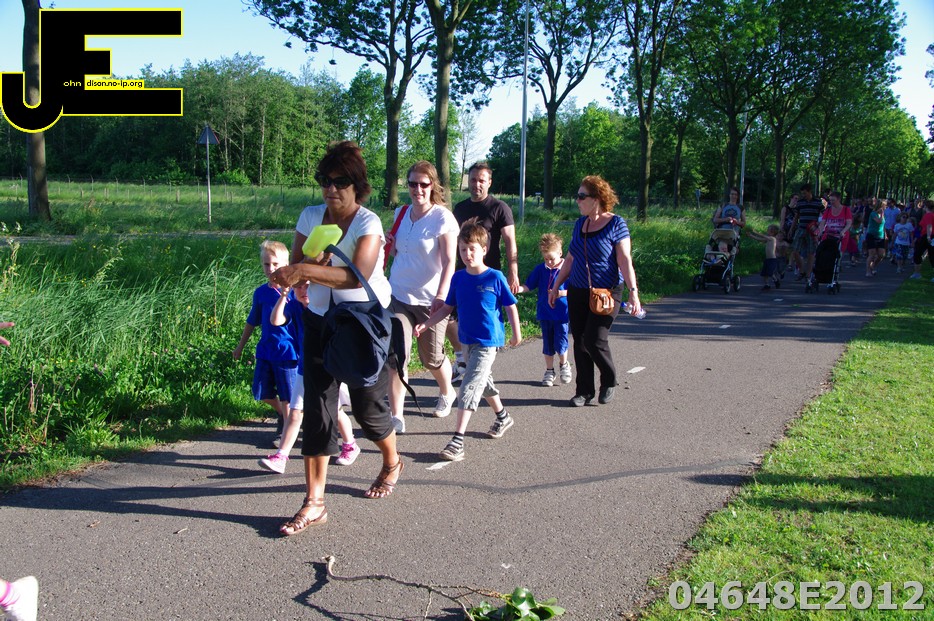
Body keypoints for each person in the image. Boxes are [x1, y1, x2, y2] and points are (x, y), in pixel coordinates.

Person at [270, 140, 402, 536]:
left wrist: (305, 272)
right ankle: (314, 502)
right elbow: (298, 266)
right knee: (318, 409)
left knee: (367, 410)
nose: (331, 188)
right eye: (324, 180)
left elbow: (355, 276)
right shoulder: (311, 216)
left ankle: (392, 461)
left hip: (361, 324)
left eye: (340, 182)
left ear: (357, 186)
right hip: (318, 322)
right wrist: (302, 271)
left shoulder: (368, 223)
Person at [413, 218, 522, 462]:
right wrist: (426, 324)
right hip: (466, 340)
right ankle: (503, 416)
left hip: (488, 341)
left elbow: (511, 306)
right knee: (482, 380)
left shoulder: (494, 277)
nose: (467, 254)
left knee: (469, 385)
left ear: (484, 249)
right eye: (463, 249)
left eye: (472, 249)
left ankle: (457, 441)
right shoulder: (459, 278)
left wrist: (517, 333)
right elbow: (446, 308)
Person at [549, 175, 642, 407]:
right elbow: (570, 259)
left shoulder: (617, 224)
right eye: (577, 196)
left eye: (582, 196)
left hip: (607, 292)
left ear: (597, 198)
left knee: (594, 339)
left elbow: (624, 260)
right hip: (578, 290)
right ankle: (584, 391)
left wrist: (633, 292)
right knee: (580, 342)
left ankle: (609, 380)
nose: (577, 201)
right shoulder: (580, 224)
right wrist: (556, 285)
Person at [385, 161, 459, 433]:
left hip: (431, 301)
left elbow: (450, 261)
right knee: (397, 358)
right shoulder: (401, 213)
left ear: (433, 186)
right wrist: (389, 245)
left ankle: (447, 391)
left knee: (431, 358)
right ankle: (396, 416)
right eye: (413, 184)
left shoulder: (442, 218)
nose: (418, 189)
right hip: (398, 295)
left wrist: (441, 294)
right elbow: (398, 253)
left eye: (423, 184)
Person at [257, 281, 360, 474]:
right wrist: (283, 296)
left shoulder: (328, 307)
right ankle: (281, 457)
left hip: (330, 368)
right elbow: (275, 321)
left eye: (307, 286)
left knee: (335, 411)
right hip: (304, 368)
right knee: (295, 412)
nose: (303, 291)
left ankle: (350, 444)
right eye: (298, 287)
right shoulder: (294, 307)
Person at [447, 161, 520, 380]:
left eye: (481, 180)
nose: (476, 184)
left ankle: (480, 363)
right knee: (452, 317)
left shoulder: (499, 208)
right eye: (473, 179)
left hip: (488, 276)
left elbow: (510, 241)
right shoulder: (460, 209)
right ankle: (463, 358)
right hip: (462, 273)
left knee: (483, 319)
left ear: (489, 182)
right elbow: (452, 241)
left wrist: (513, 270)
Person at [232, 240, 299, 447]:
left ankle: (286, 432)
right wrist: (240, 346)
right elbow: (252, 321)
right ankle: (285, 416)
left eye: (275, 264)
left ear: (286, 265)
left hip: (288, 352)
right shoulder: (261, 293)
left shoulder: (295, 292)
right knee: (261, 391)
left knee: (288, 396)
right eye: (266, 264)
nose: (271, 269)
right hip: (266, 350)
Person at [518, 233, 571, 386]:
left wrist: (561, 293)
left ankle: (564, 365)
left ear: (560, 253)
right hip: (545, 312)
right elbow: (529, 285)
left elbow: (575, 290)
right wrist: (518, 289)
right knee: (547, 344)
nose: (549, 262)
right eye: (546, 258)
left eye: (551, 258)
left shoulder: (568, 269)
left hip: (561, 313)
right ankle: (549, 370)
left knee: (561, 341)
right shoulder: (540, 269)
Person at [791, 183, 823, 282]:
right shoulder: (800, 202)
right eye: (802, 193)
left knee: (811, 253)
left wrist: (819, 227)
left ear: (809, 192)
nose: (803, 195)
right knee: (795, 250)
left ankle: (808, 275)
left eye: (805, 193)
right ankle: (802, 270)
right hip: (801, 228)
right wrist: (792, 229)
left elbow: (823, 216)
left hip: (812, 230)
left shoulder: (818, 202)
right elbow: (796, 217)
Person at [744, 225, 782, 290]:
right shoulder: (768, 239)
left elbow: (763, 236)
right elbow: (760, 239)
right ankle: (767, 284)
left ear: (773, 232)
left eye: (768, 230)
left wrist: (755, 232)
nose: (767, 231)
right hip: (767, 259)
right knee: (764, 273)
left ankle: (776, 280)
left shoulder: (772, 238)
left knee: (770, 272)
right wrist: (751, 236)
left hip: (772, 259)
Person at [712, 187, 745, 251]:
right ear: (729, 195)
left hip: (734, 232)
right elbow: (715, 220)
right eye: (732, 194)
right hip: (722, 231)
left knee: (729, 248)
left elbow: (743, 224)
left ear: (737, 196)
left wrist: (737, 222)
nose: (733, 196)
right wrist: (726, 219)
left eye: (735, 194)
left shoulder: (740, 207)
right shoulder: (723, 205)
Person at [909, 199, 934, 280]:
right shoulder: (931, 215)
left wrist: (928, 237)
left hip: (927, 236)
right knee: (932, 255)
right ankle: (917, 273)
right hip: (929, 236)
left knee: (918, 253)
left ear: (926, 206)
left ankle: (917, 273)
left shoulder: (928, 215)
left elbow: (929, 226)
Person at [864, 199, 887, 277]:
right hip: (872, 235)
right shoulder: (873, 214)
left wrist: (885, 234)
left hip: (880, 236)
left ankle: (873, 265)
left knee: (881, 254)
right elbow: (879, 221)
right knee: (872, 254)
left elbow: (883, 225)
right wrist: (882, 213)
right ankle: (868, 271)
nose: (885, 207)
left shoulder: (883, 215)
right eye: (884, 206)